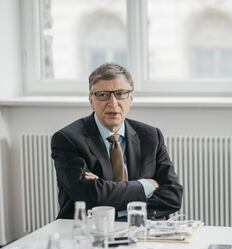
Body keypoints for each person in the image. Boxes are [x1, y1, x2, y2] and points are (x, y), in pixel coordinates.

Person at [51, 62, 183, 220]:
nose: (113, 103)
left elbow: (173, 196)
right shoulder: (68, 139)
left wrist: (116, 206)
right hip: (87, 231)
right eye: (102, 95)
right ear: (91, 101)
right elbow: (90, 196)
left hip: (143, 230)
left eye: (120, 93)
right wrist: (145, 186)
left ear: (131, 99)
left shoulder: (151, 136)